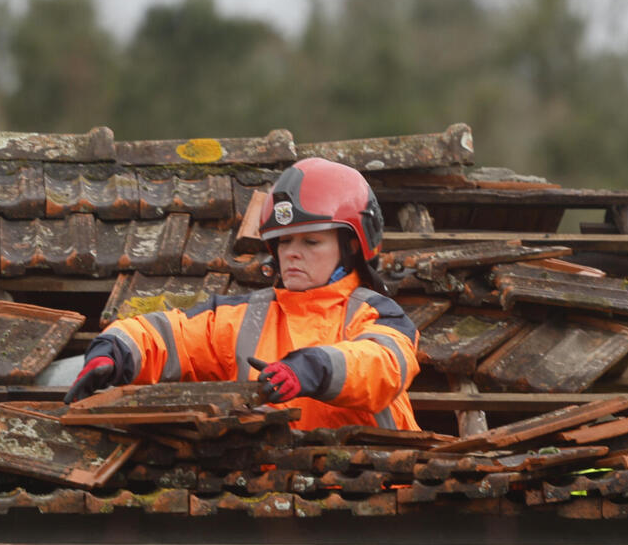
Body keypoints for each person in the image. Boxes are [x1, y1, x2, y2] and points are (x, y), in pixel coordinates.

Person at [65, 157, 420, 431]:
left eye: (311, 241)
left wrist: (314, 368)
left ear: (353, 246)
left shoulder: (380, 316)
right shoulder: (243, 318)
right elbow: (167, 335)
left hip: (375, 509)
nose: (292, 253)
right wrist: (114, 352)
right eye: (284, 241)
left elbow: (382, 366)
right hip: (272, 505)